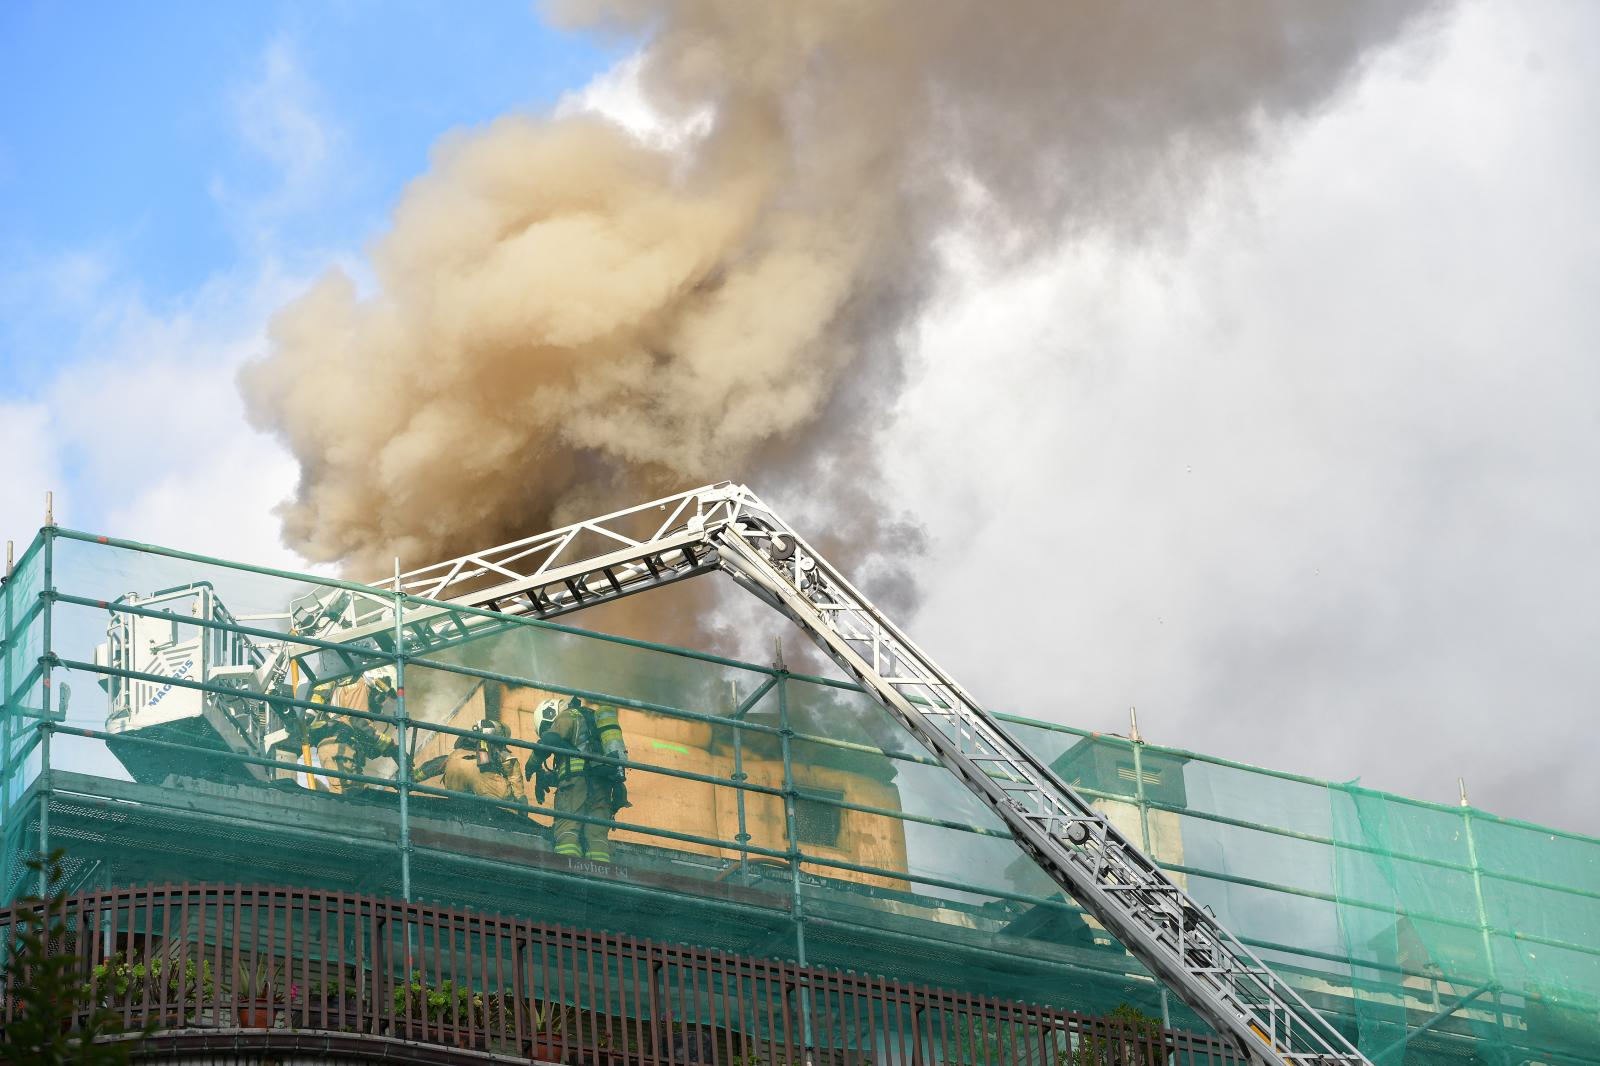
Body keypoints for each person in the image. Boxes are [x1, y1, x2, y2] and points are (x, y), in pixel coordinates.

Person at [528, 696, 628, 862]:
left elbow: (549, 741)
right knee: (596, 835)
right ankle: (598, 874)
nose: (549, 729)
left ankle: (567, 870)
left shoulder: (567, 716)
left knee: (567, 828)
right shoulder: (592, 720)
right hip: (602, 784)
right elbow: (585, 760)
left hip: (574, 785)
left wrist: (531, 765)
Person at [301, 667, 399, 793]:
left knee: (356, 795)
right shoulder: (359, 685)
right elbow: (359, 723)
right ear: (379, 679)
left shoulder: (349, 683)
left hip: (341, 747)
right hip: (340, 748)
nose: (381, 703)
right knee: (349, 797)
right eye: (382, 697)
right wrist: (392, 748)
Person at [441, 718, 527, 803]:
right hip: (479, 773)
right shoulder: (497, 746)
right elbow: (512, 770)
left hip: (453, 773)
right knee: (508, 801)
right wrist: (520, 798)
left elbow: (440, 764)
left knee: (459, 804)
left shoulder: (463, 743)